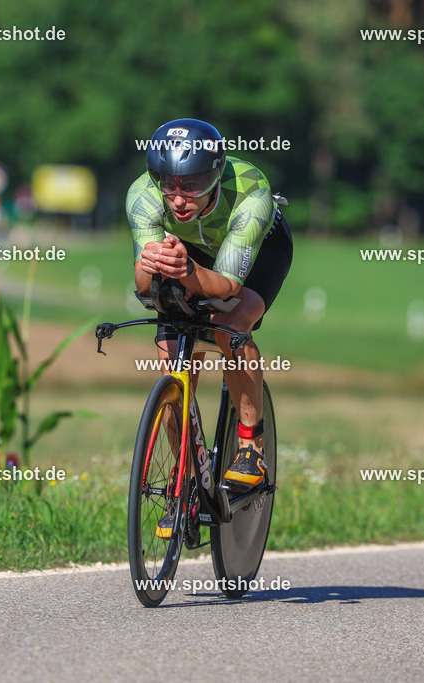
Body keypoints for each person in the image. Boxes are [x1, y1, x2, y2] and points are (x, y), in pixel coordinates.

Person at [126, 118, 293, 537]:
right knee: (172, 368)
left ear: (215, 175)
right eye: (171, 185)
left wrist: (185, 271)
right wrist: (149, 268)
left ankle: (250, 446)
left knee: (229, 325)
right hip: (191, 253)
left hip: (257, 252)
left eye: (193, 185)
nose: (179, 199)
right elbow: (143, 286)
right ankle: (184, 478)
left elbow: (227, 287)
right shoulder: (143, 196)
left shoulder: (250, 191)